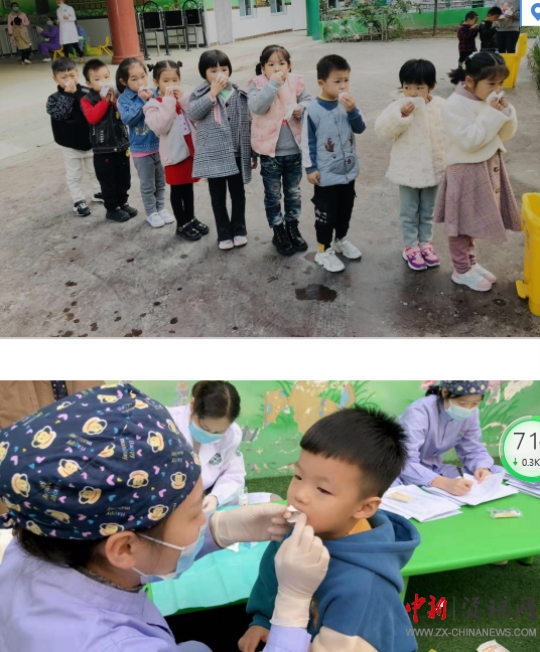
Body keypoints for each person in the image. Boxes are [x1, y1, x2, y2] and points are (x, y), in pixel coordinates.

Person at [0, 383, 330, 652]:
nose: (203, 520)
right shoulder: (109, 645)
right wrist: (292, 607)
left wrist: (224, 527)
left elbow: (146, 553)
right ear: (124, 547)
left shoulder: (41, 536)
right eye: (195, 513)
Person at [238, 406, 420, 652]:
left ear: (364, 507)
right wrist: (263, 620)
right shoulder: (298, 526)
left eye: (323, 490)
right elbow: (272, 577)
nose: (300, 495)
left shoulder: (362, 588)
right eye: (298, 476)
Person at [434, 52, 520, 292]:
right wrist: (492, 114)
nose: (497, 89)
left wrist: (506, 113)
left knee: (471, 224)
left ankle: (470, 263)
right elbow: (469, 141)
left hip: (487, 166)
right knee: (461, 226)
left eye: (501, 83)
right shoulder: (453, 105)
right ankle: (461, 271)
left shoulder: (486, 99)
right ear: (470, 81)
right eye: (491, 84)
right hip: (465, 171)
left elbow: (504, 134)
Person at [375, 59, 445, 271]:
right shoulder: (397, 107)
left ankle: (425, 244)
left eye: (419, 87)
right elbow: (382, 131)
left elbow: (451, 134)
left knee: (428, 210)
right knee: (409, 211)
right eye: (407, 87)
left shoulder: (441, 106)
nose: (413, 93)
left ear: (431, 86)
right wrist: (402, 115)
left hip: (433, 170)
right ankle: (411, 247)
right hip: (408, 170)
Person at [302, 55, 366, 273]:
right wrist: (311, 168)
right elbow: (307, 142)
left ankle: (341, 240)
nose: (343, 86)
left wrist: (352, 111)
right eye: (337, 81)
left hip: (348, 172)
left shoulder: (347, 106)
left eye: (346, 80)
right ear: (321, 83)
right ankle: (323, 249)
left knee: (345, 209)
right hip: (326, 175)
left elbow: (360, 128)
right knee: (325, 214)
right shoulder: (312, 110)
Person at [248, 45, 312, 257]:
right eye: (271, 64)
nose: (277, 68)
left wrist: (301, 109)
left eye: (282, 64)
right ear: (263, 68)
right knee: (273, 195)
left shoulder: (296, 82)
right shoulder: (258, 84)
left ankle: (292, 227)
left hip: (294, 151)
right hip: (270, 154)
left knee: (293, 193)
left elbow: (309, 102)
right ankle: (278, 230)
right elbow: (257, 107)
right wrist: (274, 84)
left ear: (289, 66)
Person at [189, 50, 257, 251]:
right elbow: (193, 114)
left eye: (224, 69)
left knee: (238, 195)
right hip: (214, 155)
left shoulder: (237, 93)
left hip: (236, 154)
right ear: (204, 73)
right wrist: (212, 94)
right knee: (217, 197)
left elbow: (247, 122)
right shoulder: (199, 93)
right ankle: (224, 233)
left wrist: (252, 152)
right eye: (213, 70)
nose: (220, 74)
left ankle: (239, 229)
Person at [398, 381, 504, 495]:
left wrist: (482, 468)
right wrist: (443, 483)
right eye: (462, 403)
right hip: (401, 471)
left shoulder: (472, 414)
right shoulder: (419, 412)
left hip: (434, 469)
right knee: (392, 490)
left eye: (475, 403)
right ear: (445, 392)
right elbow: (404, 461)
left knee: (495, 471)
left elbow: (473, 450)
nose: (468, 408)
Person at [144, 60, 209, 242]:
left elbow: (195, 117)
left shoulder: (181, 100)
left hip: (189, 152)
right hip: (173, 156)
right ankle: (182, 224)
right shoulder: (153, 105)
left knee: (188, 187)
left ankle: (191, 218)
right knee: (177, 190)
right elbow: (161, 127)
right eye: (166, 81)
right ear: (156, 82)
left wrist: (184, 99)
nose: (171, 85)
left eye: (174, 80)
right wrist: (169, 102)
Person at [167, 381, 245, 513]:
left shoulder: (232, 434)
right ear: (192, 405)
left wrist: (216, 498)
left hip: (203, 503)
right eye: (204, 427)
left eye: (218, 432)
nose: (210, 435)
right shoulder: (165, 424)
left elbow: (234, 475)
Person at [117, 58, 174, 229]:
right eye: (134, 79)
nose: (140, 82)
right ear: (124, 81)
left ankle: (161, 208)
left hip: (159, 145)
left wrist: (156, 98)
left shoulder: (154, 92)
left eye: (143, 76)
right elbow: (128, 119)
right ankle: (151, 212)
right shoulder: (124, 99)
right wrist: (142, 101)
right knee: (148, 185)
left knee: (161, 182)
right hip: (141, 150)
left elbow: (166, 111)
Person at [81, 58, 136, 223]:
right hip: (103, 149)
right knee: (108, 181)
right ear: (89, 83)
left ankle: (123, 203)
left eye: (106, 77)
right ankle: (112, 209)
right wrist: (105, 101)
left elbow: (123, 114)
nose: (104, 81)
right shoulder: (87, 99)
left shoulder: (116, 94)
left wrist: (114, 102)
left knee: (123, 177)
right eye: (98, 79)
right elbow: (93, 118)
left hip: (121, 145)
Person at [46, 58, 103, 217]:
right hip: (70, 144)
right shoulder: (54, 98)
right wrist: (67, 95)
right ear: (55, 79)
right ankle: (78, 200)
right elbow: (60, 114)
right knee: (74, 174)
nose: (69, 80)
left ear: (77, 74)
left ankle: (98, 192)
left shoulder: (87, 92)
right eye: (63, 77)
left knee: (95, 170)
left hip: (90, 141)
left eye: (72, 75)